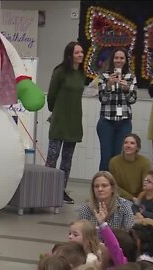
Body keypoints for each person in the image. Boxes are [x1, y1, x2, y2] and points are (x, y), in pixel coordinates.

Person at [46, 41, 86, 204]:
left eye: (82, 52)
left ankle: (61, 190)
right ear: (70, 55)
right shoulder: (60, 71)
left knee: (67, 160)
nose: (80, 55)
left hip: (74, 121)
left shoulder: (81, 74)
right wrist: (56, 112)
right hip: (60, 120)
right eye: (77, 53)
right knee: (52, 157)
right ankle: (47, 189)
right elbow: (51, 96)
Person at [97, 48, 138, 171]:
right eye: (116, 58)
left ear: (125, 61)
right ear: (112, 59)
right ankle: (102, 185)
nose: (118, 60)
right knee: (106, 157)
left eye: (121, 58)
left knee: (119, 158)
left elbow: (133, 100)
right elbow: (102, 99)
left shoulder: (131, 77)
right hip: (106, 121)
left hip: (124, 122)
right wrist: (108, 86)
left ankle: (115, 187)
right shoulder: (104, 76)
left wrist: (126, 90)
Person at [109, 133, 152, 201]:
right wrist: (131, 198)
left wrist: (138, 199)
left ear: (137, 147)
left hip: (140, 199)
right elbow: (113, 185)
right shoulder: (114, 162)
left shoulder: (145, 162)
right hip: (119, 198)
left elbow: (146, 185)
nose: (128, 145)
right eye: (126, 143)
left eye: (132, 143)